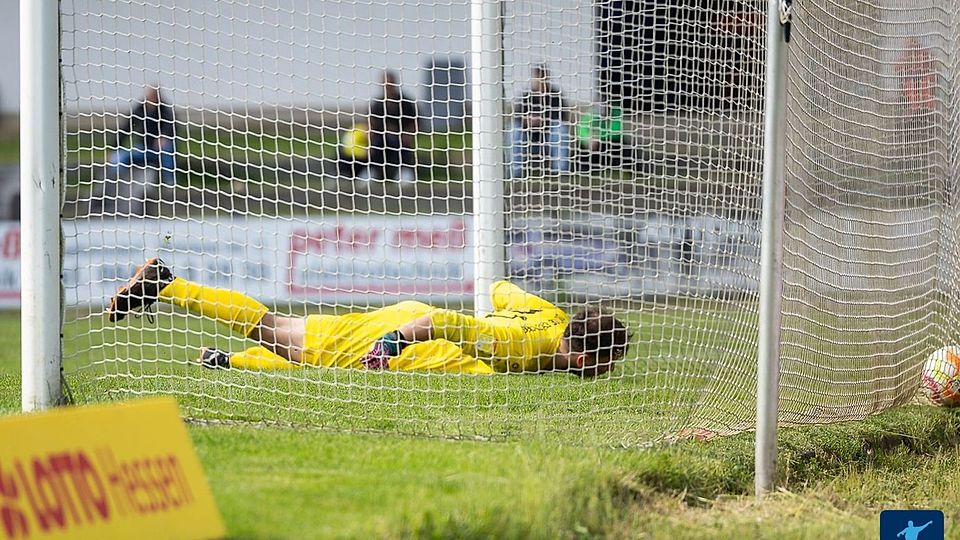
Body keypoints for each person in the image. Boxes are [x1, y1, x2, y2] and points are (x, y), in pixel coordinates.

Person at [107, 258, 629, 377]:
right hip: (415, 336)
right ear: (583, 357)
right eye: (604, 366)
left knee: (300, 349)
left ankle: (225, 361)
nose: (604, 374)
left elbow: (500, 289)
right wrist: (393, 344)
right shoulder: (519, 351)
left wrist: (500, 303)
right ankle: (168, 285)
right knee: (283, 336)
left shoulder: (551, 315)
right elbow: (451, 324)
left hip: (412, 323)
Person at [104, 85, 177, 187]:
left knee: (167, 149)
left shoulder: (165, 110)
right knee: (120, 157)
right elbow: (126, 129)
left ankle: (169, 184)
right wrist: (114, 149)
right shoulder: (140, 109)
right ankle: (114, 183)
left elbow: (170, 125)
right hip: (144, 149)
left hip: (160, 150)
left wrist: (163, 136)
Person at [509, 65, 571, 178]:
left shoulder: (555, 96)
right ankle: (515, 172)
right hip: (529, 135)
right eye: (536, 78)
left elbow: (561, 116)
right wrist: (528, 121)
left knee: (560, 129)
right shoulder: (526, 97)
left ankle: (560, 171)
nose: (538, 81)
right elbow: (517, 117)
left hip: (548, 135)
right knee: (514, 130)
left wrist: (543, 121)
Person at [368, 71, 418, 184]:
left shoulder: (405, 103)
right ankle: (374, 172)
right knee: (377, 146)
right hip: (382, 138)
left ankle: (404, 172)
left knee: (399, 146)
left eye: (390, 83)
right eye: (386, 84)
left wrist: (409, 133)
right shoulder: (378, 104)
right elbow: (373, 123)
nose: (388, 86)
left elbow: (415, 121)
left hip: (400, 137)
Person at [575, 102, 628, 172]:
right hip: (592, 142)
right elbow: (582, 130)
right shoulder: (590, 114)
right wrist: (588, 139)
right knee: (582, 148)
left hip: (609, 141)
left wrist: (599, 136)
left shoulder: (616, 112)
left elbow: (616, 131)